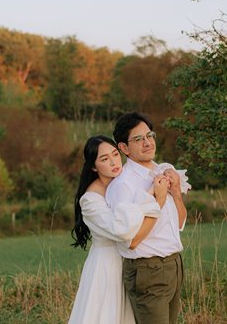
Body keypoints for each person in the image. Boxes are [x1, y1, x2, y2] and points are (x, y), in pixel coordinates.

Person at [68, 135, 170, 324]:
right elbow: (121, 229)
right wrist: (152, 197)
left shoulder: (123, 185)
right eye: (104, 159)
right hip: (107, 266)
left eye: (115, 154)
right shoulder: (90, 200)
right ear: (93, 166)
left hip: (132, 263)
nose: (114, 162)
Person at [106, 112, 188, 324]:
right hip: (148, 270)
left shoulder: (162, 171)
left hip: (174, 265)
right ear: (124, 148)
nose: (147, 142)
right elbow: (130, 241)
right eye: (138, 139)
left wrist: (176, 192)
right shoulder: (123, 185)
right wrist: (158, 201)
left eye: (149, 136)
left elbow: (179, 225)